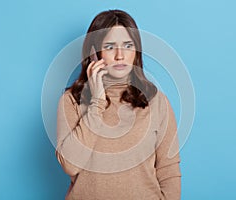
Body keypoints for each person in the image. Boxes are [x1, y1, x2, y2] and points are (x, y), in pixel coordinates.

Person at [55, 9, 181, 200]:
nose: (120, 55)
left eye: (128, 46)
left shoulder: (156, 101)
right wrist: (96, 102)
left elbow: (169, 170)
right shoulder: (71, 100)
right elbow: (70, 165)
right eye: (111, 46)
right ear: (94, 53)